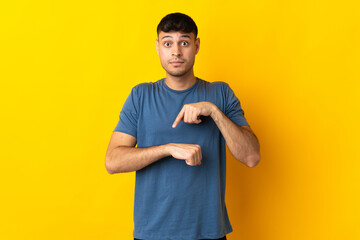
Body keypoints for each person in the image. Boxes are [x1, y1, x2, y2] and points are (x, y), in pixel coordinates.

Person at [105, 12, 261, 240]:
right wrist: (168, 149)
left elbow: (252, 157)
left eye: (184, 42)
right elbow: (113, 161)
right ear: (158, 47)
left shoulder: (220, 93)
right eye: (168, 43)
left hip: (209, 233)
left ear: (196, 46)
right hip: (153, 234)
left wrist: (214, 112)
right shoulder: (141, 95)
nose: (176, 51)